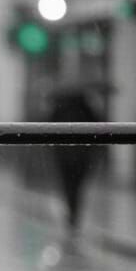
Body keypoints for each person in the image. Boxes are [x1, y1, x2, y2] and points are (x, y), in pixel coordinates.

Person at [46, 83, 100, 229]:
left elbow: (48, 127)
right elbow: (98, 127)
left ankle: (72, 211)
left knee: (68, 184)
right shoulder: (86, 108)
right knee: (77, 185)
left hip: (64, 154)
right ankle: (74, 212)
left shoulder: (60, 108)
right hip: (82, 155)